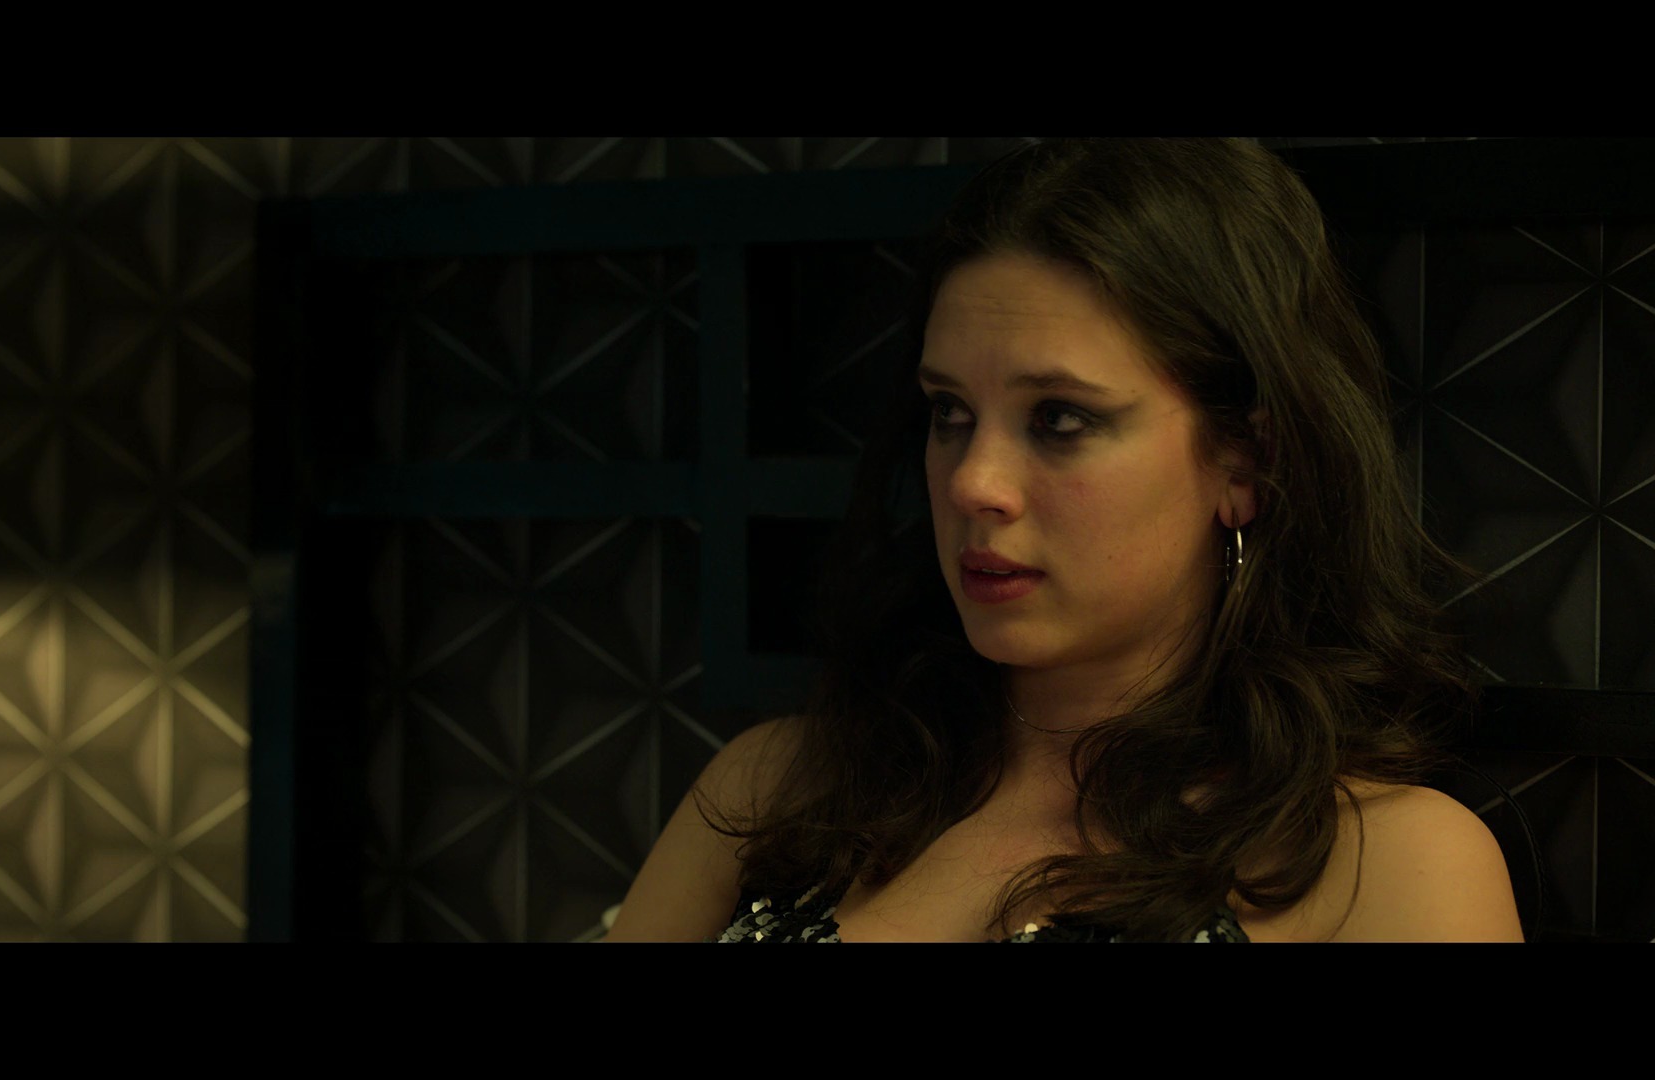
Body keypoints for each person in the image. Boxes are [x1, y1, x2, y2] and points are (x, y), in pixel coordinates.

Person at [604, 138, 1525, 942]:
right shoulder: (781, 789)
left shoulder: (1386, 863)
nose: (972, 482)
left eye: (1059, 419)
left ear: (1247, 460)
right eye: (950, 412)